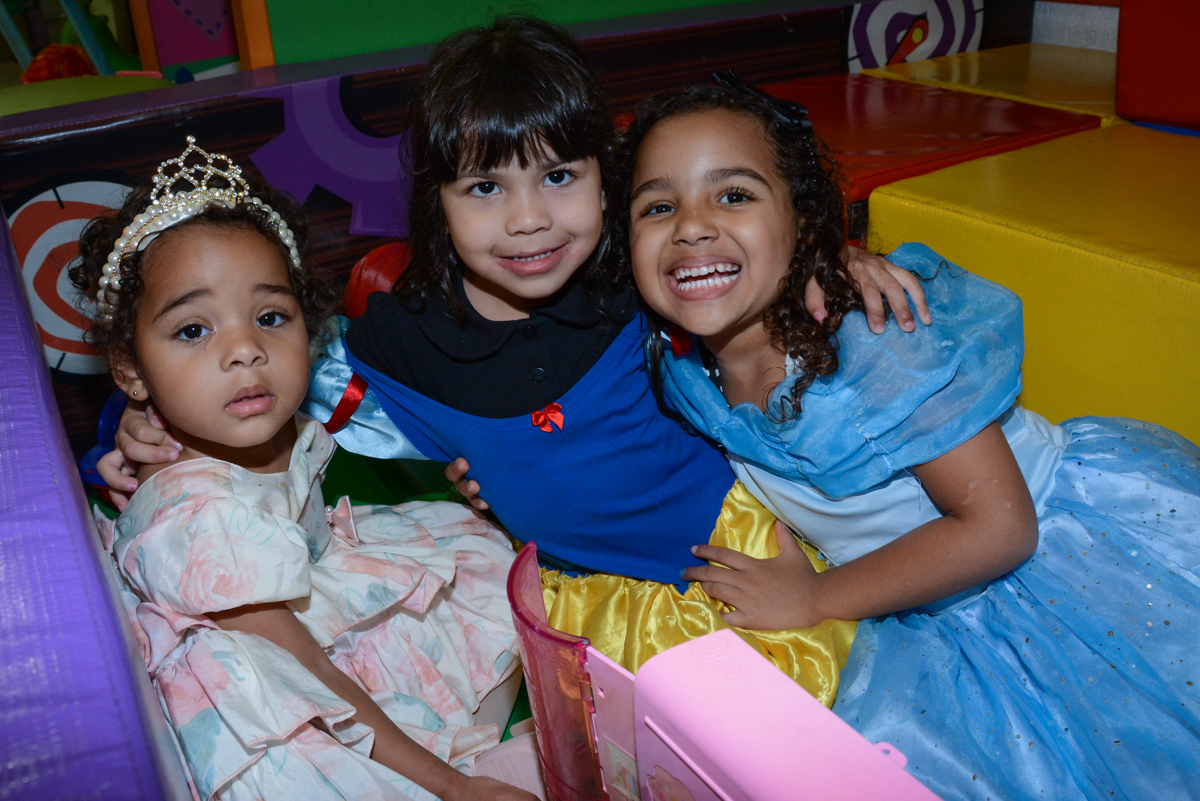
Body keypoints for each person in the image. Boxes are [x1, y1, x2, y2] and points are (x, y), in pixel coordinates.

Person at [98, 17, 929, 703]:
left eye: (559, 176)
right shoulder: (397, 347)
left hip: (743, 554)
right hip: (589, 599)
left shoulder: (639, 281)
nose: (529, 221)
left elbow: (750, 256)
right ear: (438, 202)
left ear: (608, 181)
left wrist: (838, 259)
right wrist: (138, 415)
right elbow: (246, 365)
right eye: (486, 189)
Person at [623, 81, 1200, 800]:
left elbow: (1002, 527)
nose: (692, 226)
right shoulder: (680, 363)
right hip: (926, 595)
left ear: (803, 222)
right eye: (658, 206)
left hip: (1057, 564)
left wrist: (817, 598)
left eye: (734, 195)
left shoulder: (871, 344)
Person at [70, 139, 533, 801]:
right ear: (131, 370)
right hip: (275, 670)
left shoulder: (260, 412)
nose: (245, 351)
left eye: (269, 317)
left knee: (481, 554)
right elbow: (308, 670)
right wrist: (451, 785)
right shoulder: (201, 518)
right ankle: (458, 771)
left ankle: (471, 742)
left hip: (313, 588)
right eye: (193, 330)